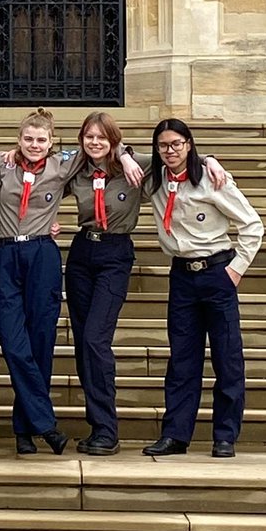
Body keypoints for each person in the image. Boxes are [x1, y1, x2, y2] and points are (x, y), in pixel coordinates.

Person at [0, 108, 143, 456]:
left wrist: (126, 153)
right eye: (28, 139)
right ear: (18, 140)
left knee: (40, 340)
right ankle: (44, 423)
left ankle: (25, 429)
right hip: (6, 253)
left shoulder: (64, 165)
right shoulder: (2, 164)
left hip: (43, 254)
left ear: (53, 142)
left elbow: (106, 148)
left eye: (41, 140)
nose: (34, 145)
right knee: (13, 341)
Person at [64, 113, 226, 456]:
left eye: (102, 138)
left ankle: (108, 430)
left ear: (113, 140)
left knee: (96, 338)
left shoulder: (136, 164)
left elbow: (176, 155)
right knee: (82, 343)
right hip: (81, 254)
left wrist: (209, 160)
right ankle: (98, 426)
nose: (95, 143)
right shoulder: (75, 168)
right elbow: (37, 169)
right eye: (88, 137)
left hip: (115, 252)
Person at [142, 118, 263, 459]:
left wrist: (235, 270)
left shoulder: (212, 179)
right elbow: (115, 150)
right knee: (182, 360)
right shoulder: (155, 179)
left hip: (216, 272)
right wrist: (123, 157)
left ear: (189, 145)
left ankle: (225, 435)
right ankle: (175, 435)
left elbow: (252, 225)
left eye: (177, 144)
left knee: (227, 357)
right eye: (164, 145)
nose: (170, 151)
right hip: (181, 276)